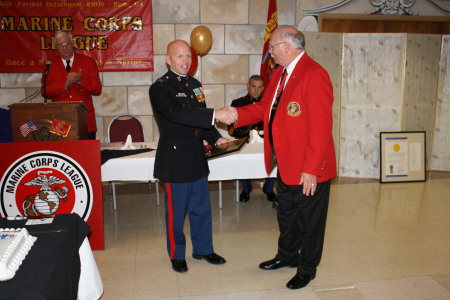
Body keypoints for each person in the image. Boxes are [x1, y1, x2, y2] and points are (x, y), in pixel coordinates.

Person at [225, 26, 336, 289]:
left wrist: (310, 169)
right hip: (285, 164)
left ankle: (307, 268)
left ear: (287, 45)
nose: (270, 53)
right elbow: (265, 108)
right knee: (286, 215)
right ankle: (286, 256)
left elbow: (321, 128)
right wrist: (235, 113)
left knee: (310, 222)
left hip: (310, 168)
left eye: (272, 47)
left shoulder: (315, 74)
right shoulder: (278, 74)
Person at [149, 39, 236, 273]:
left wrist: (216, 137)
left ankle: (204, 249)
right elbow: (178, 113)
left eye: (187, 56)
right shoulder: (160, 88)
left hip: (196, 155)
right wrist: (215, 113)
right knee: (176, 213)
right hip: (175, 159)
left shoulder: (195, 84)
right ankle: (177, 254)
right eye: (179, 56)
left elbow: (200, 118)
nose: (185, 60)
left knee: (201, 208)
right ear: (168, 59)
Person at [41, 30, 102, 140]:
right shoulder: (50, 64)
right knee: (63, 153)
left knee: (86, 154)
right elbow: (44, 92)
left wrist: (80, 82)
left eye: (67, 44)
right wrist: (64, 85)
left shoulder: (88, 62)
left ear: (72, 43)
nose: (64, 48)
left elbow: (97, 89)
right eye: (60, 45)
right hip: (60, 118)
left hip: (84, 119)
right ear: (56, 47)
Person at [228, 75, 276, 203]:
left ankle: (269, 189)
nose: (256, 90)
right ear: (248, 86)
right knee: (243, 160)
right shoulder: (238, 103)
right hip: (246, 141)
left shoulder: (269, 104)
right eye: (253, 86)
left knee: (275, 157)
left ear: (263, 88)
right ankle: (246, 188)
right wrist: (247, 130)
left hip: (265, 141)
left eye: (259, 87)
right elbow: (231, 130)